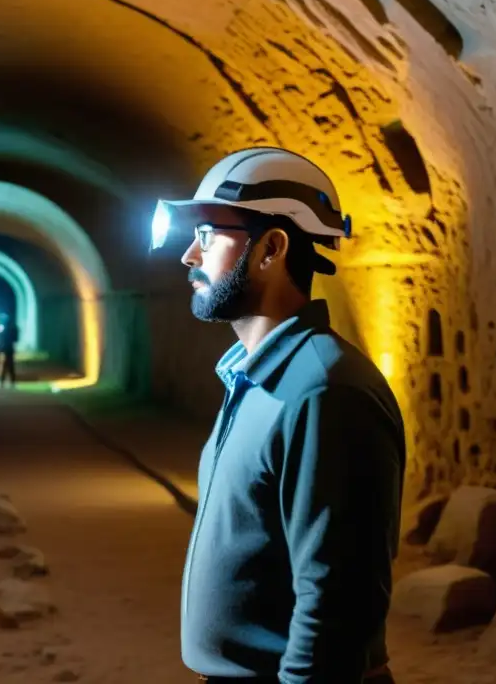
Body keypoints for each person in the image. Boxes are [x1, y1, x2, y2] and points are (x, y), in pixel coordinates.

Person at [151, 147, 406, 684]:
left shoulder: (324, 391)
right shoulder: (255, 376)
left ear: (271, 248)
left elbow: (337, 600)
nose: (189, 259)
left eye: (207, 236)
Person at [0, 315, 18, 388]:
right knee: (10, 365)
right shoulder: (12, 329)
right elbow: (15, 339)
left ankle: (4, 382)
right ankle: (11, 382)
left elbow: (1, 339)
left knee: (7, 365)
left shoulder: (5, 330)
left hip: (6, 348)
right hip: (9, 348)